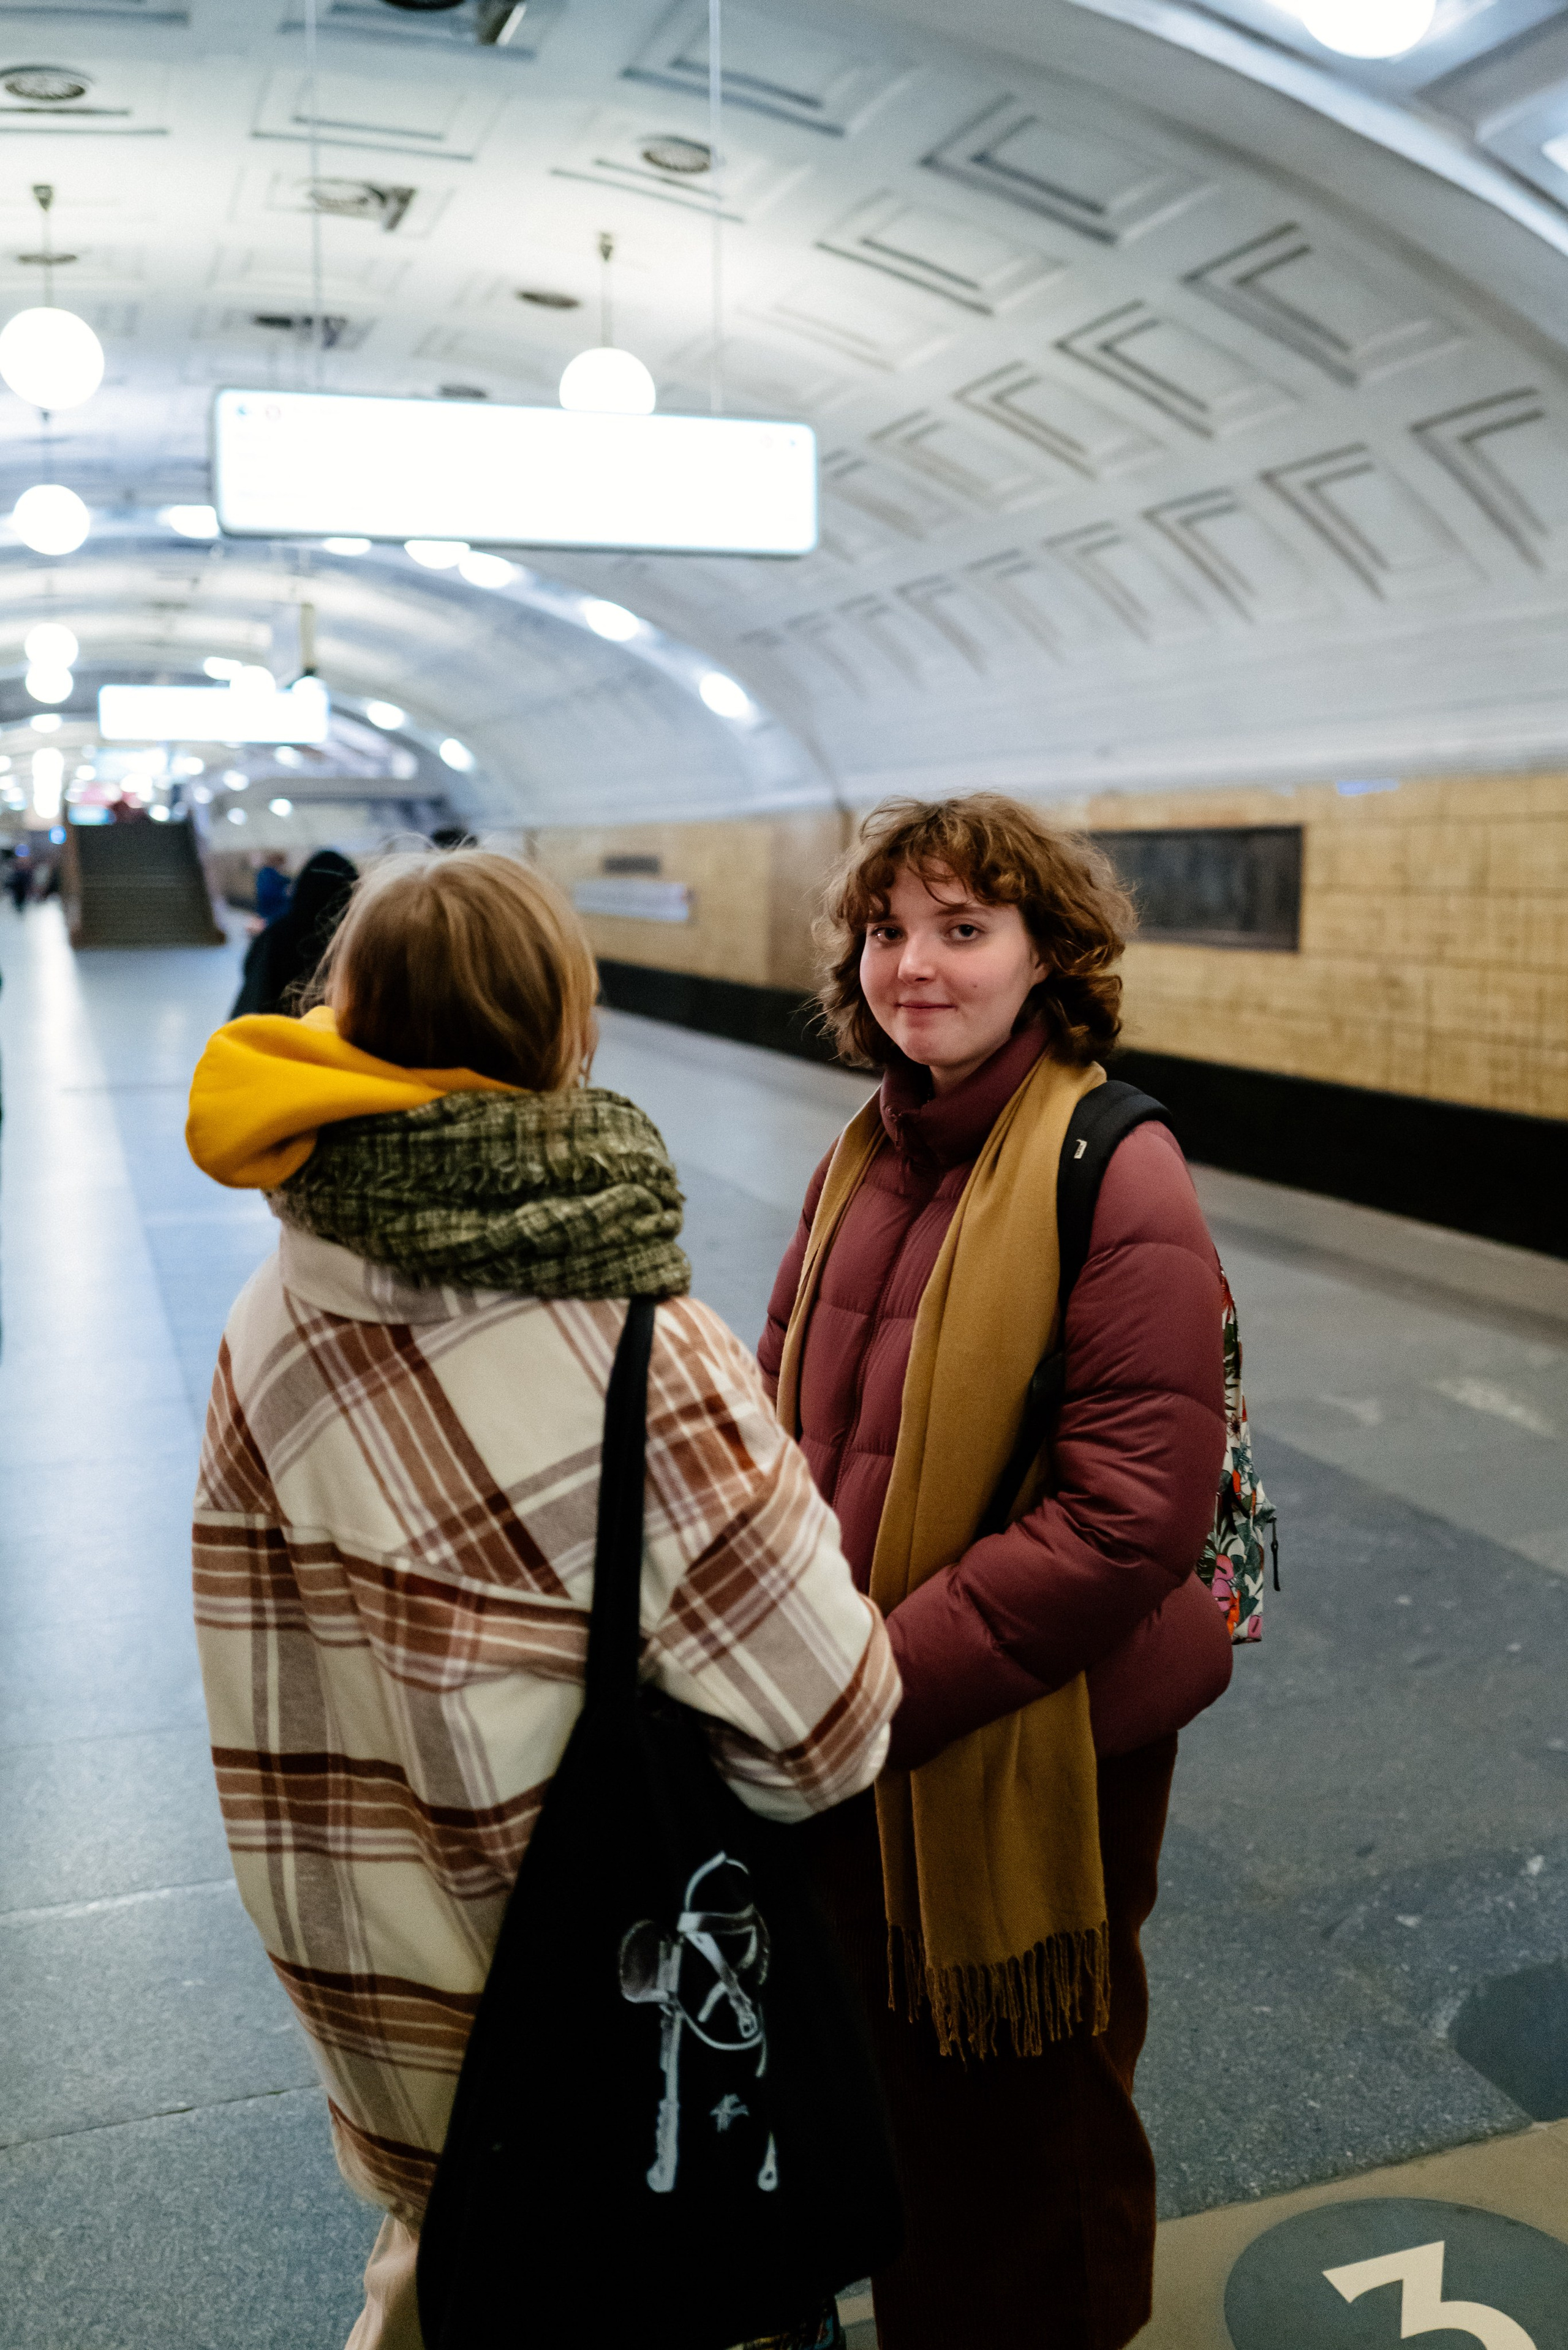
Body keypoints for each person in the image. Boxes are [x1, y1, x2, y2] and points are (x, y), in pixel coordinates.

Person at [186, 849, 899, 2350]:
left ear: (350, 1020)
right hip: (585, 2020)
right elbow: (831, 1729)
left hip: (373, 2000)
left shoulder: (275, 1306)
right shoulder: (639, 1347)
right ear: (567, 1032)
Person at [757, 794, 1234, 2350]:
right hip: (857, 1730)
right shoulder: (864, 1151)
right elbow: (779, 1410)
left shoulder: (1115, 1167)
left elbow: (1126, 1521)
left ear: (1047, 953)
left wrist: (869, 1684)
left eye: (963, 929)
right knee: (904, 2115)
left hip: (1031, 1738)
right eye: (887, 930)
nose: (914, 966)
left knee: (1029, 2135)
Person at [229, 846, 356, 1019]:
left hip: (278, 1030)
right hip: (334, 1037)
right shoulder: (356, 939)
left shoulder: (277, 933)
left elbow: (252, 975)